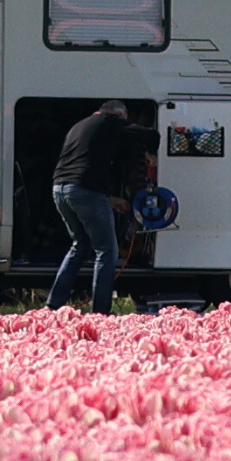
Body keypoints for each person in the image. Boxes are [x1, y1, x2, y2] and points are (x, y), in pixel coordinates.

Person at [46, 100, 156, 313]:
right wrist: (152, 155)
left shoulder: (80, 126)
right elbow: (151, 135)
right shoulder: (110, 120)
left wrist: (111, 199)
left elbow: (86, 165)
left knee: (80, 245)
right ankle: (100, 311)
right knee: (107, 251)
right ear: (119, 114)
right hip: (85, 191)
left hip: (60, 189)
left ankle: (53, 304)